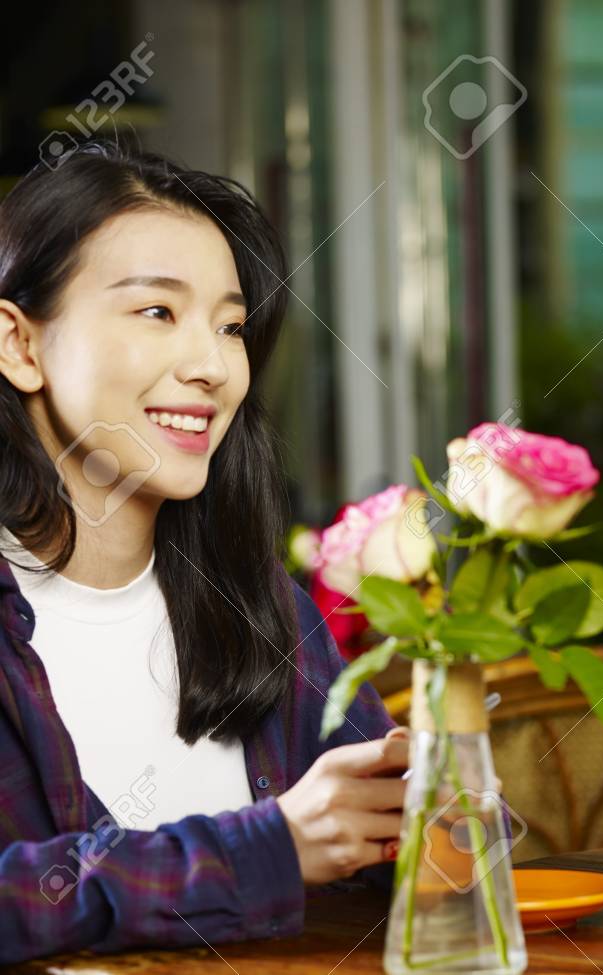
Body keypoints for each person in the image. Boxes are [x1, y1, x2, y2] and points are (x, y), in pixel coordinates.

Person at [0, 141, 406, 962]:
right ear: (19, 344)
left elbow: (397, 846)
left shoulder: (262, 605)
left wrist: (440, 807)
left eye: (230, 326)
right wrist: (267, 849)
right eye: (158, 312)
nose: (212, 365)